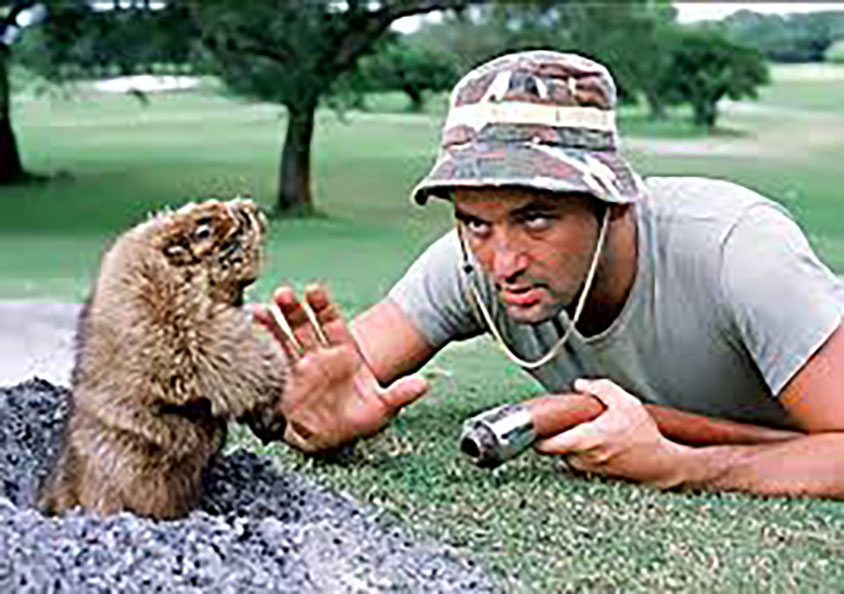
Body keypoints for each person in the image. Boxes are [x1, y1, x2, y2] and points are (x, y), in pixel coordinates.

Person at [253, 51, 844, 497]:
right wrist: (306, 417)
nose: (502, 263)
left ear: (611, 201)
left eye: (535, 218)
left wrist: (684, 466)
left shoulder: (738, 252)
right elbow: (343, 374)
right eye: (474, 222)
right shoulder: (470, 261)